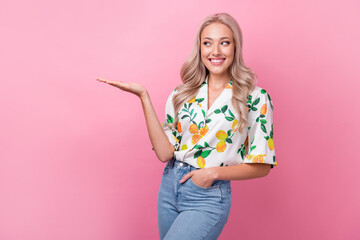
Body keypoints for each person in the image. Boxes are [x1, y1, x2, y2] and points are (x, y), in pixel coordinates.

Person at [97, 12, 276, 240]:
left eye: (225, 43)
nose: (216, 51)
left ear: (235, 47)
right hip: (169, 187)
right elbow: (164, 153)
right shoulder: (182, 94)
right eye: (207, 43)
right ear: (200, 49)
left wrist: (212, 173)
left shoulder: (256, 98)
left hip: (208, 194)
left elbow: (262, 165)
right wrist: (144, 97)